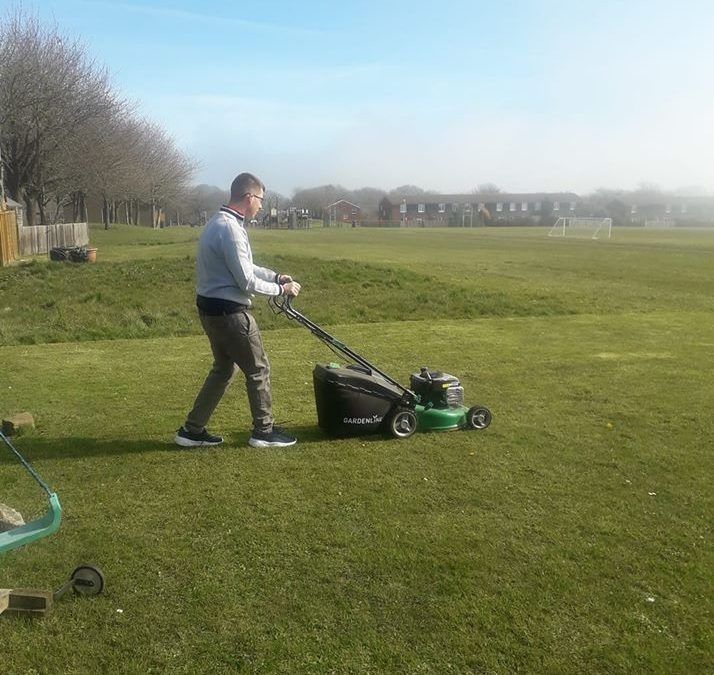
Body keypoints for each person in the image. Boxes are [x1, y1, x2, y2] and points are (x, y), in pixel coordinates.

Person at [175, 172, 301, 449]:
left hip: (210, 311)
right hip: (231, 315)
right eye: (260, 200)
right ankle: (263, 432)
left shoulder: (219, 223)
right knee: (258, 369)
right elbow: (246, 281)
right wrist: (282, 290)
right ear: (249, 197)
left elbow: (247, 267)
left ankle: (191, 430)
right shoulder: (230, 229)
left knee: (223, 370)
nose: (261, 206)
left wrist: (276, 276)